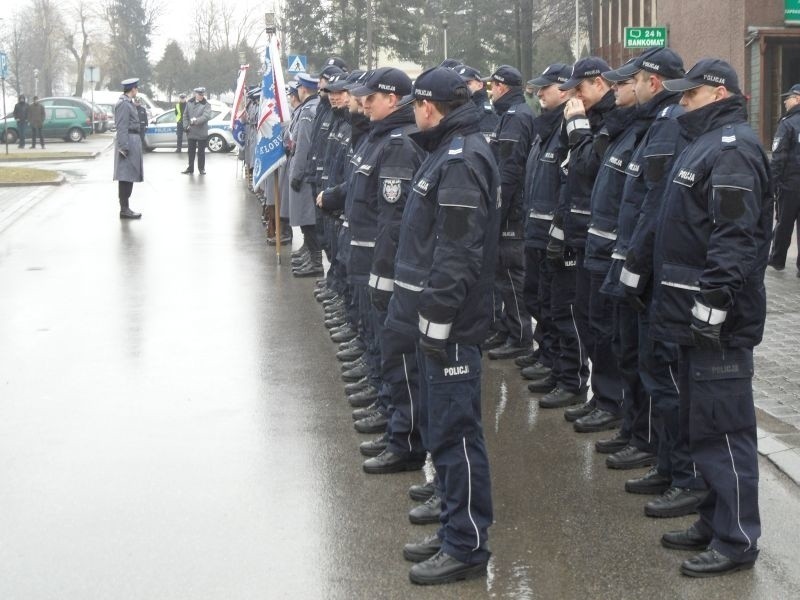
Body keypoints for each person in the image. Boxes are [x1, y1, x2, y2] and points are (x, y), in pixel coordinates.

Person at [649, 58, 771, 577]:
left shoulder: (734, 149)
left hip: (716, 320)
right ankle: (712, 518)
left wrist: (715, 303)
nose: (681, 103)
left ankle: (737, 538)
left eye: (690, 95)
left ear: (717, 94)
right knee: (702, 426)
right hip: (690, 317)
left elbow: (734, 235)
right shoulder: (704, 144)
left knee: (725, 430)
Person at [386, 66, 500, 586]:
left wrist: (434, 319)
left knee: (456, 434)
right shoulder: (447, 151)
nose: (414, 112)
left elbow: (457, 254)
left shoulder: (461, 159)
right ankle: (455, 525)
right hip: (437, 322)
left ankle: (467, 544)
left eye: (416, 104)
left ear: (431, 106)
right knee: (444, 431)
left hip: (449, 326)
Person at [484, 65, 537, 360]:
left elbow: (510, 171)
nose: (491, 92)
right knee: (503, 274)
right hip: (512, 209)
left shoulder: (516, 117)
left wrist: (499, 213)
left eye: (494, 87)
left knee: (510, 273)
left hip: (512, 212)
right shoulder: (512, 114)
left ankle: (519, 336)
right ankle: (508, 329)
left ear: (503, 87)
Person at [287, 73, 322, 276]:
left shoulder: (309, 111)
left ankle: (315, 262)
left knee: (307, 218)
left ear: (303, 89)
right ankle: (310, 255)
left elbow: (304, 146)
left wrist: (297, 173)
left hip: (305, 169)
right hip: (304, 168)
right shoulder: (306, 108)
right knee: (303, 217)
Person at [768, 83, 800, 275]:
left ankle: (778, 260)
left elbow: (778, 157)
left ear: (797, 99)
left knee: (784, 222)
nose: (785, 102)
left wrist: (771, 184)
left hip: (789, 185)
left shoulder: (787, 123)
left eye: (788, 98)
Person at [113, 78, 143, 219]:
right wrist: (124, 147)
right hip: (127, 142)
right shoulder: (124, 104)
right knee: (125, 177)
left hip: (132, 140)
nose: (137, 91)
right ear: (133, 89)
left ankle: (126, 208)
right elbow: (122, 126)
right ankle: (124, 209)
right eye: (136, 88)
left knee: (129, 176)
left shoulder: (128, 103)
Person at [181, 87, 213, 175]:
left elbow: (206, 116)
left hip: (201, 131)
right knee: (190, 151)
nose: (201, 96)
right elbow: (185, 115)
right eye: (199, 95)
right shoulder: (189, 103)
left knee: (201, 152)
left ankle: (201, 168)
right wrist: (186, 126)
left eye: (202, 95)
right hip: (191, 131)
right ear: (195, 94)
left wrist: (196, 121)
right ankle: (190, 168)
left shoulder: (206, 104)